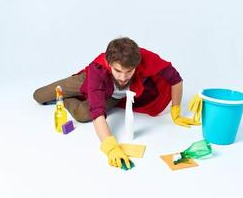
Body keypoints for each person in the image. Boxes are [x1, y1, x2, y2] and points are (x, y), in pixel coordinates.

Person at [33, 37, 196, 169]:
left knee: (83, 114)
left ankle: (65, 99)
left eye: (129, 72)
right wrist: (110, 147)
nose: (123, 78)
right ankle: (70, 93)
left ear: (136, 65)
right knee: (39, 96)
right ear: (108, 63)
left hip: (112, 95)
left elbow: (175, 79)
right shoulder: (98, 69)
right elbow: (98, 112)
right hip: (88, 81)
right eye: (118, 71)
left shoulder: (145, 58)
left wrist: (176, 110)